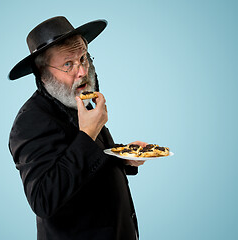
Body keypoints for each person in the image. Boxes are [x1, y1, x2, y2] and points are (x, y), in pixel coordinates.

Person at [8, 16, 146, 240]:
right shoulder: (29, 122)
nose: (82, 71)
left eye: (83, 58)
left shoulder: (77, 100)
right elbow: (43, 199)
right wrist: (88, 133)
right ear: (43, 75)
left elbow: (85, 159)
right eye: (68, 64)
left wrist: (122, 156)